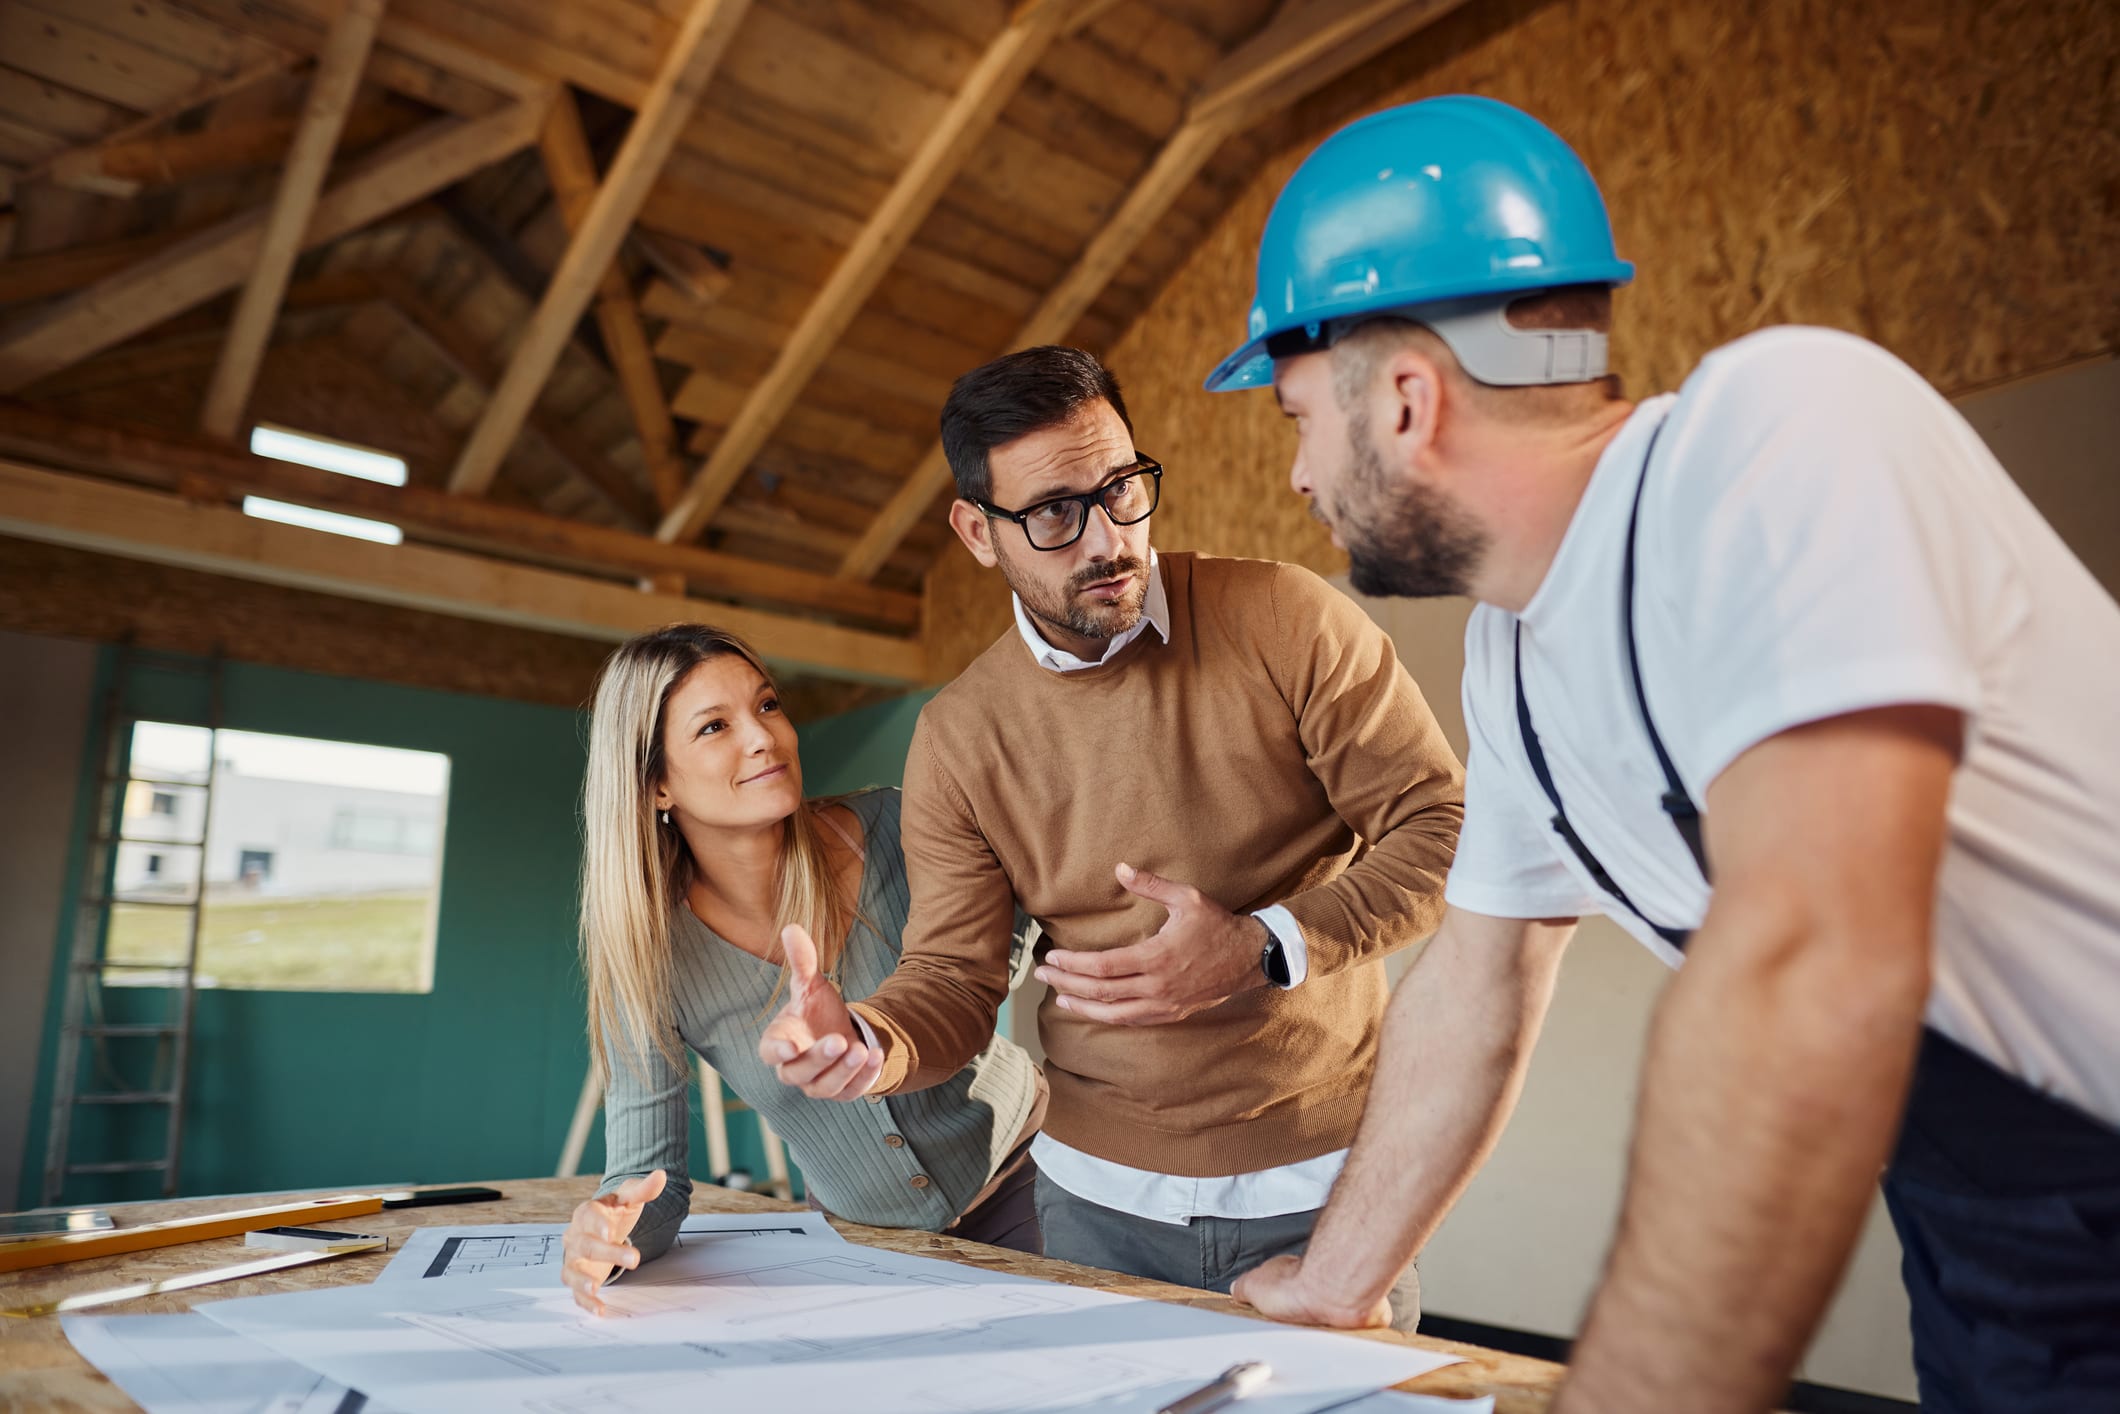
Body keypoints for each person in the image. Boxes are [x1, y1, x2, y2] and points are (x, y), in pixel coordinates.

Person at [1208, 96, 2120, 1412]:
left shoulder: (1784, 433)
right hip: (1986, 1227)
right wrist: (1335, 1281)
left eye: (1296, 416)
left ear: (1406, 399)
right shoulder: (1512, 656)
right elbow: (1480, 982)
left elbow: (1808, 962)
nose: (1297, 475)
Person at [756, 347, 1465, 1331]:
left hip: (1328, 1188)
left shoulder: (1285, 619)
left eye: (1122, 488)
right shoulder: (959, 738)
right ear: (975, 531)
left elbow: (1443, 828)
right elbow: (956, 979)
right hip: (1094, 1203)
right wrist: (868, 1043)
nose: (1106, 538)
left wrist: (1262, 945)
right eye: (1053, 512)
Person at [560, 625, 1045, 1315]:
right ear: (657, 783)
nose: (763, 738)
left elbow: (1011, 923)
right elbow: (652, 1184)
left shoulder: (895, 827)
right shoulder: (650, 959)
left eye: (766, 706)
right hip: (866, 1247)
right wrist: (609, 1228)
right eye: (714, 727)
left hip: (1033, 1178)